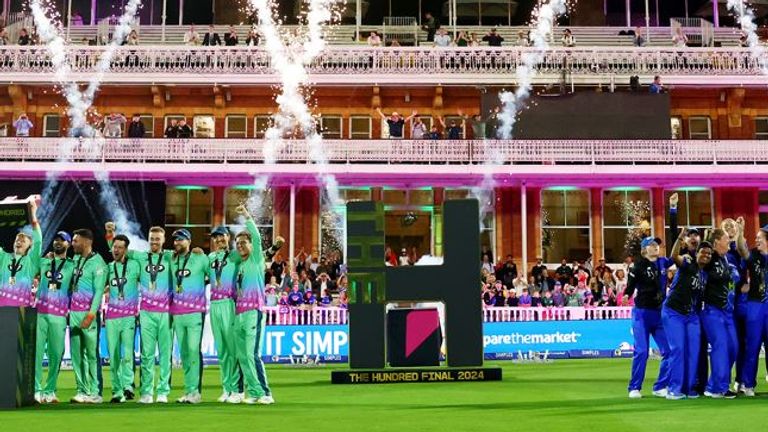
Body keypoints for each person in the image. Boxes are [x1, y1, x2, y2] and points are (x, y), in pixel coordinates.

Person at [106, 224, 174, 404]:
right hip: (146, 312)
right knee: (146, 354)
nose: (154, 242)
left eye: (157, 239)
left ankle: (163, 392)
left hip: (166, 312)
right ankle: (146, 392)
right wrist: (111, 234)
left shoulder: (169, 257)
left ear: (163, 240)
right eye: (152, 238)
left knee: (165, 354)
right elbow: (118, 251)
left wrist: (197, 250)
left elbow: (184, 255)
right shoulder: (140, 258)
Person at [664, 228, 711, 400]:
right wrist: (679, 238)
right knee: (679, 349)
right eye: (703, 252)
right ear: (696, 253)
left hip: (691, 315)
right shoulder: (687, 262)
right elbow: (674, 256)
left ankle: (689, 388)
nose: (705, 255)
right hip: (673, 312)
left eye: (708, 254)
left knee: (694, 351)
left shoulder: (704, 274)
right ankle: (674, 389)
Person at [624, 236, 672, 399]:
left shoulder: (663, 262)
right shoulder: (637, 266)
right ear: (644, 249)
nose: (656, 247)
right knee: (642, 351)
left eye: (657, 244)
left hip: (659, 313)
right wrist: (626, 295)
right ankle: (634, 387)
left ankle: (660, 386)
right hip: (642, 314)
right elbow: (630, 286)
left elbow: (675, 255)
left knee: (669, 351)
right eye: (652, 245)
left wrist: (679, 237)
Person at [169, 228, 209, 404]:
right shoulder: (171, 259)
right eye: (175, 240)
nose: (177, 242)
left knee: (193, 351)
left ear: (189, 241)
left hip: (195, 313)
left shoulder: (200, 258)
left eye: (181, 240)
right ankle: (189, 390)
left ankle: (195, 392)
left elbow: (215, 274)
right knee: (184, 353)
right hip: (178, 314)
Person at [68, 228, 108, 404]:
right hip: (74, 313)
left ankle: (95, 392)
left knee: (91, 354)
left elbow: (99, 291)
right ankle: (81, 390)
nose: (73, 243)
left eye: (76, 241)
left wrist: (91, 314)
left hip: (88, 314)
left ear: (86, 242)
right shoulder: (75, 259)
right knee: (77, 355)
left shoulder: (99, 263)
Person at [35, 231, 74, 404]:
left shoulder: (72, 265)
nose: (58, 242)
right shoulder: (43, 262)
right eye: (56, 240)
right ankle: (36, 390)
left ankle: (49, 391)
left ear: (69, 244)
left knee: (56, 354)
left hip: (59, 315)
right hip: (40, 313)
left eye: (63, 241)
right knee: (36, 354)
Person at [700, 228, 739, 398]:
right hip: (711, 310)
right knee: (721, 346)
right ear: (716, 242)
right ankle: (717, 387)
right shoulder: (708, 259)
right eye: (726, 238)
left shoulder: (726, 260)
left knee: (733, 347)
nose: (729, 240)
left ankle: (718, 383)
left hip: (728, 311)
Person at [104, 235, 141, 403]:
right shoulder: (108, 268)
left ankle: (127, 386)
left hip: (128, 316)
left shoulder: (134, 265)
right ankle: (116, 391)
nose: (116, 250)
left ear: (126, 249)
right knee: (113, 355)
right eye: (114, 247)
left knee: (127, 354)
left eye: (120, 247)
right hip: (112, 317)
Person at [207, 225, 242, 403]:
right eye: (216, 237)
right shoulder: (211, 257)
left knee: (232, 349)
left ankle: (236, 389)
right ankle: (226, 388)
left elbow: (257, 256)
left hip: (229, 303)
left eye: (222, 236)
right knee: (221, 351)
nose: (219, 240)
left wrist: (274, 248)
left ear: (228, 237)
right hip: (214, 304)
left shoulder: (236, 255)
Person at [733, 220, 768, 397]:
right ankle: (748, 384)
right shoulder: (753, 255)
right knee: (752, 346)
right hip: (756, 305)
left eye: (760, 238)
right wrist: (740, 231)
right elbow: (741, 249)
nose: (757, 240)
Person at [0, 199, 40, 308]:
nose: (19, 241)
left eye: (23, 241)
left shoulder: (31, 262)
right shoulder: (3, 257)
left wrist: (33, 215)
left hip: (21, 311)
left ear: (29, 246)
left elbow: (38, 241)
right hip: (2, 309)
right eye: (17, 240)